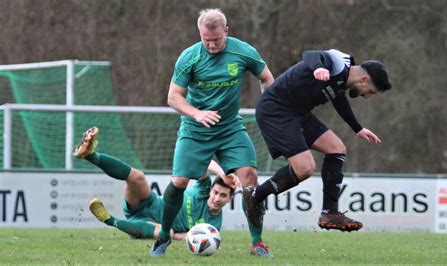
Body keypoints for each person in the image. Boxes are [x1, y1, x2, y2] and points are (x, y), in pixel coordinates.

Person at [151, 8, 274, 257]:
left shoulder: (243, 52)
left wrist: (270, 108)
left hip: (230, 128)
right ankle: (163, 236)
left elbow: (267, 79)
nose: (211, 44)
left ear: (226, 31)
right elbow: (173, 97)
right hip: (195, 129)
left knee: (250, 176)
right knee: (179, 182)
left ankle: (257, 243)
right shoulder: (189, 58)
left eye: (216, 39)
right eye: (205, 39)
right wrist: (196, 113)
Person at [247, 49, 392, 232]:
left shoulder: (342, 80)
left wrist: (358, 128)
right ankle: (255, 197)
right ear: (363, 80)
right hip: (276, 111)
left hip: (298, 113)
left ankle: (329, 213)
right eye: (369, 92)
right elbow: (310, 55)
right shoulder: (338, 63)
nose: (366, 96)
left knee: (337, 149)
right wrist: (318, 68)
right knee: (305, 168)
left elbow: (338, 99)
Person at [72, 127, 240, 240]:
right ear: (211, 190)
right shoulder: (203, 190)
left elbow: (188, 237)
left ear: (229, 200)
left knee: (165, 233)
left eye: (223, 195)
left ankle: (109, 220)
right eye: (216, 192)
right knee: (137, 176)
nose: (217, 198)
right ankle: (90, 154)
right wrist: (223, 173)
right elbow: (202, 160)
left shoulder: (214, 224)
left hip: (157, 226)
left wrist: (179, 236)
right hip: (148, 202)